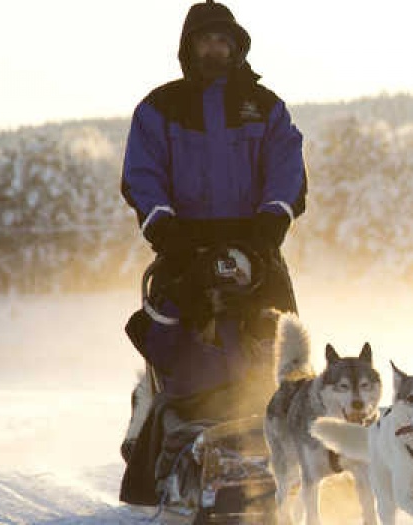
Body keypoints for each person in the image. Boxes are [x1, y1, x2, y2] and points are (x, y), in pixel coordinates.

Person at [117, 0, 306, 506]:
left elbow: (288, 168)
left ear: (237, 46)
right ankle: (180, 437)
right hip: (183, 248)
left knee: (279, 340)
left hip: (256, 245)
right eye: (205, 40)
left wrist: (270, 225)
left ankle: (285, 439)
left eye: (223, 40)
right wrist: (168, 232)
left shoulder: (266, 107)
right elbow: (142, 174)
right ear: (189, 47)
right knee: (177, 339)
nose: (214, 49)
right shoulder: (160, 108)